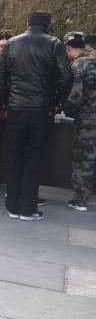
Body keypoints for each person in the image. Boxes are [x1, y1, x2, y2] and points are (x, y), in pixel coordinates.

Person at [0, 11, 72, 221]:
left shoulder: (11, 43)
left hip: (15, 107)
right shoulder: (54, 43)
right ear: (48, 25)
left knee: (14, 155)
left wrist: (5, 102)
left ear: (28, 22)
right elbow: (66, 76)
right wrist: (57, 101)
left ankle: (12, 206)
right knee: (34, 156)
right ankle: (28, 208)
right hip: (41, 108)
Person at [63, 32, 96, 212]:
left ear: (69, 48)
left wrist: (66, 109)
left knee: (84, 158)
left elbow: (75, 96)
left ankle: (80, 200)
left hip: (87, 119)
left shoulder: (78, 66)